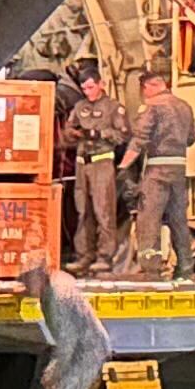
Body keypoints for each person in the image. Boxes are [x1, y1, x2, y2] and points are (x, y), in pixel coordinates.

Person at [19, 258, 112, 389]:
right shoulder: (58, 281)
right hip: (87, 346)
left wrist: (54, 371)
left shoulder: (55, 296)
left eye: (27, 279)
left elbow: (67, 341)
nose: (25, 285)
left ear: (39, 274)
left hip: (87, 351)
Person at [123, 69, 195, 278]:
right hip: (179, 169)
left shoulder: (152, 107)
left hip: (157, 170)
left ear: (149, 86)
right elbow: (191, 139)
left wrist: (123, 167)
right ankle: (185, 268)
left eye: (144, 89)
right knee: (178, 221)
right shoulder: (185, 106)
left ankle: (151, 269)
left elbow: (140, 140)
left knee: (149, 220)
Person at [63, 67, 127, 270]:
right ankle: (84, 255)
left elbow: (123, 135)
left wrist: (99, 133)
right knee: (83, 211)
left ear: (101, 84)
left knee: (104, 210)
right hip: (83, 163)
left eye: (91, 87)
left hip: (102, 163)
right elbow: (67, 130)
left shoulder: (113, 107)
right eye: (84, 88)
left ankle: (104, 257)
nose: (87, 92)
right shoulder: (80, 106)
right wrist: (75, 133)